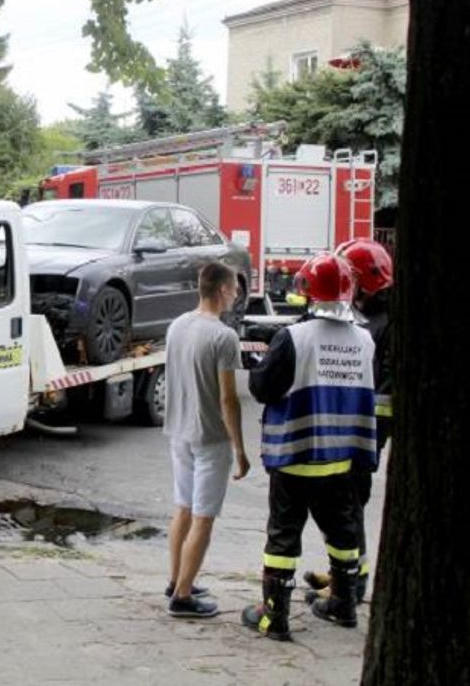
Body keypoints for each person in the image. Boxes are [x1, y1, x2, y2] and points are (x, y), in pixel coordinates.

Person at [241, 252, 377, 642]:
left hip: (295, 457)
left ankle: (274, 617)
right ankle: (344, 606)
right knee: (343, 535)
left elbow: (261, 388)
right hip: (341, 461)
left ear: (307, 291)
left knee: (283, 536)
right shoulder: (364, 340)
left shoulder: (294, 337)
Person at [304, 239, 394, 606]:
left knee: (346, 501)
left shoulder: (378, 324)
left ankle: (351, 584)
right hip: (360, 426)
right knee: (345, 501)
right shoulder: (373, 316)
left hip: (363, 429)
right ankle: (347, 572)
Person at [163, 262, 250, 618]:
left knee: (183, 509)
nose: (236, 295)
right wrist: (240, 450)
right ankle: (183, 597)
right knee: (203, 517)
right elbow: (228, 399)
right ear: (221, 290)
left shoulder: (177, 326)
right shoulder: (223, 337)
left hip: (178, 431)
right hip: (210, 437)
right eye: (234, 289)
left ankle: (176, 579)